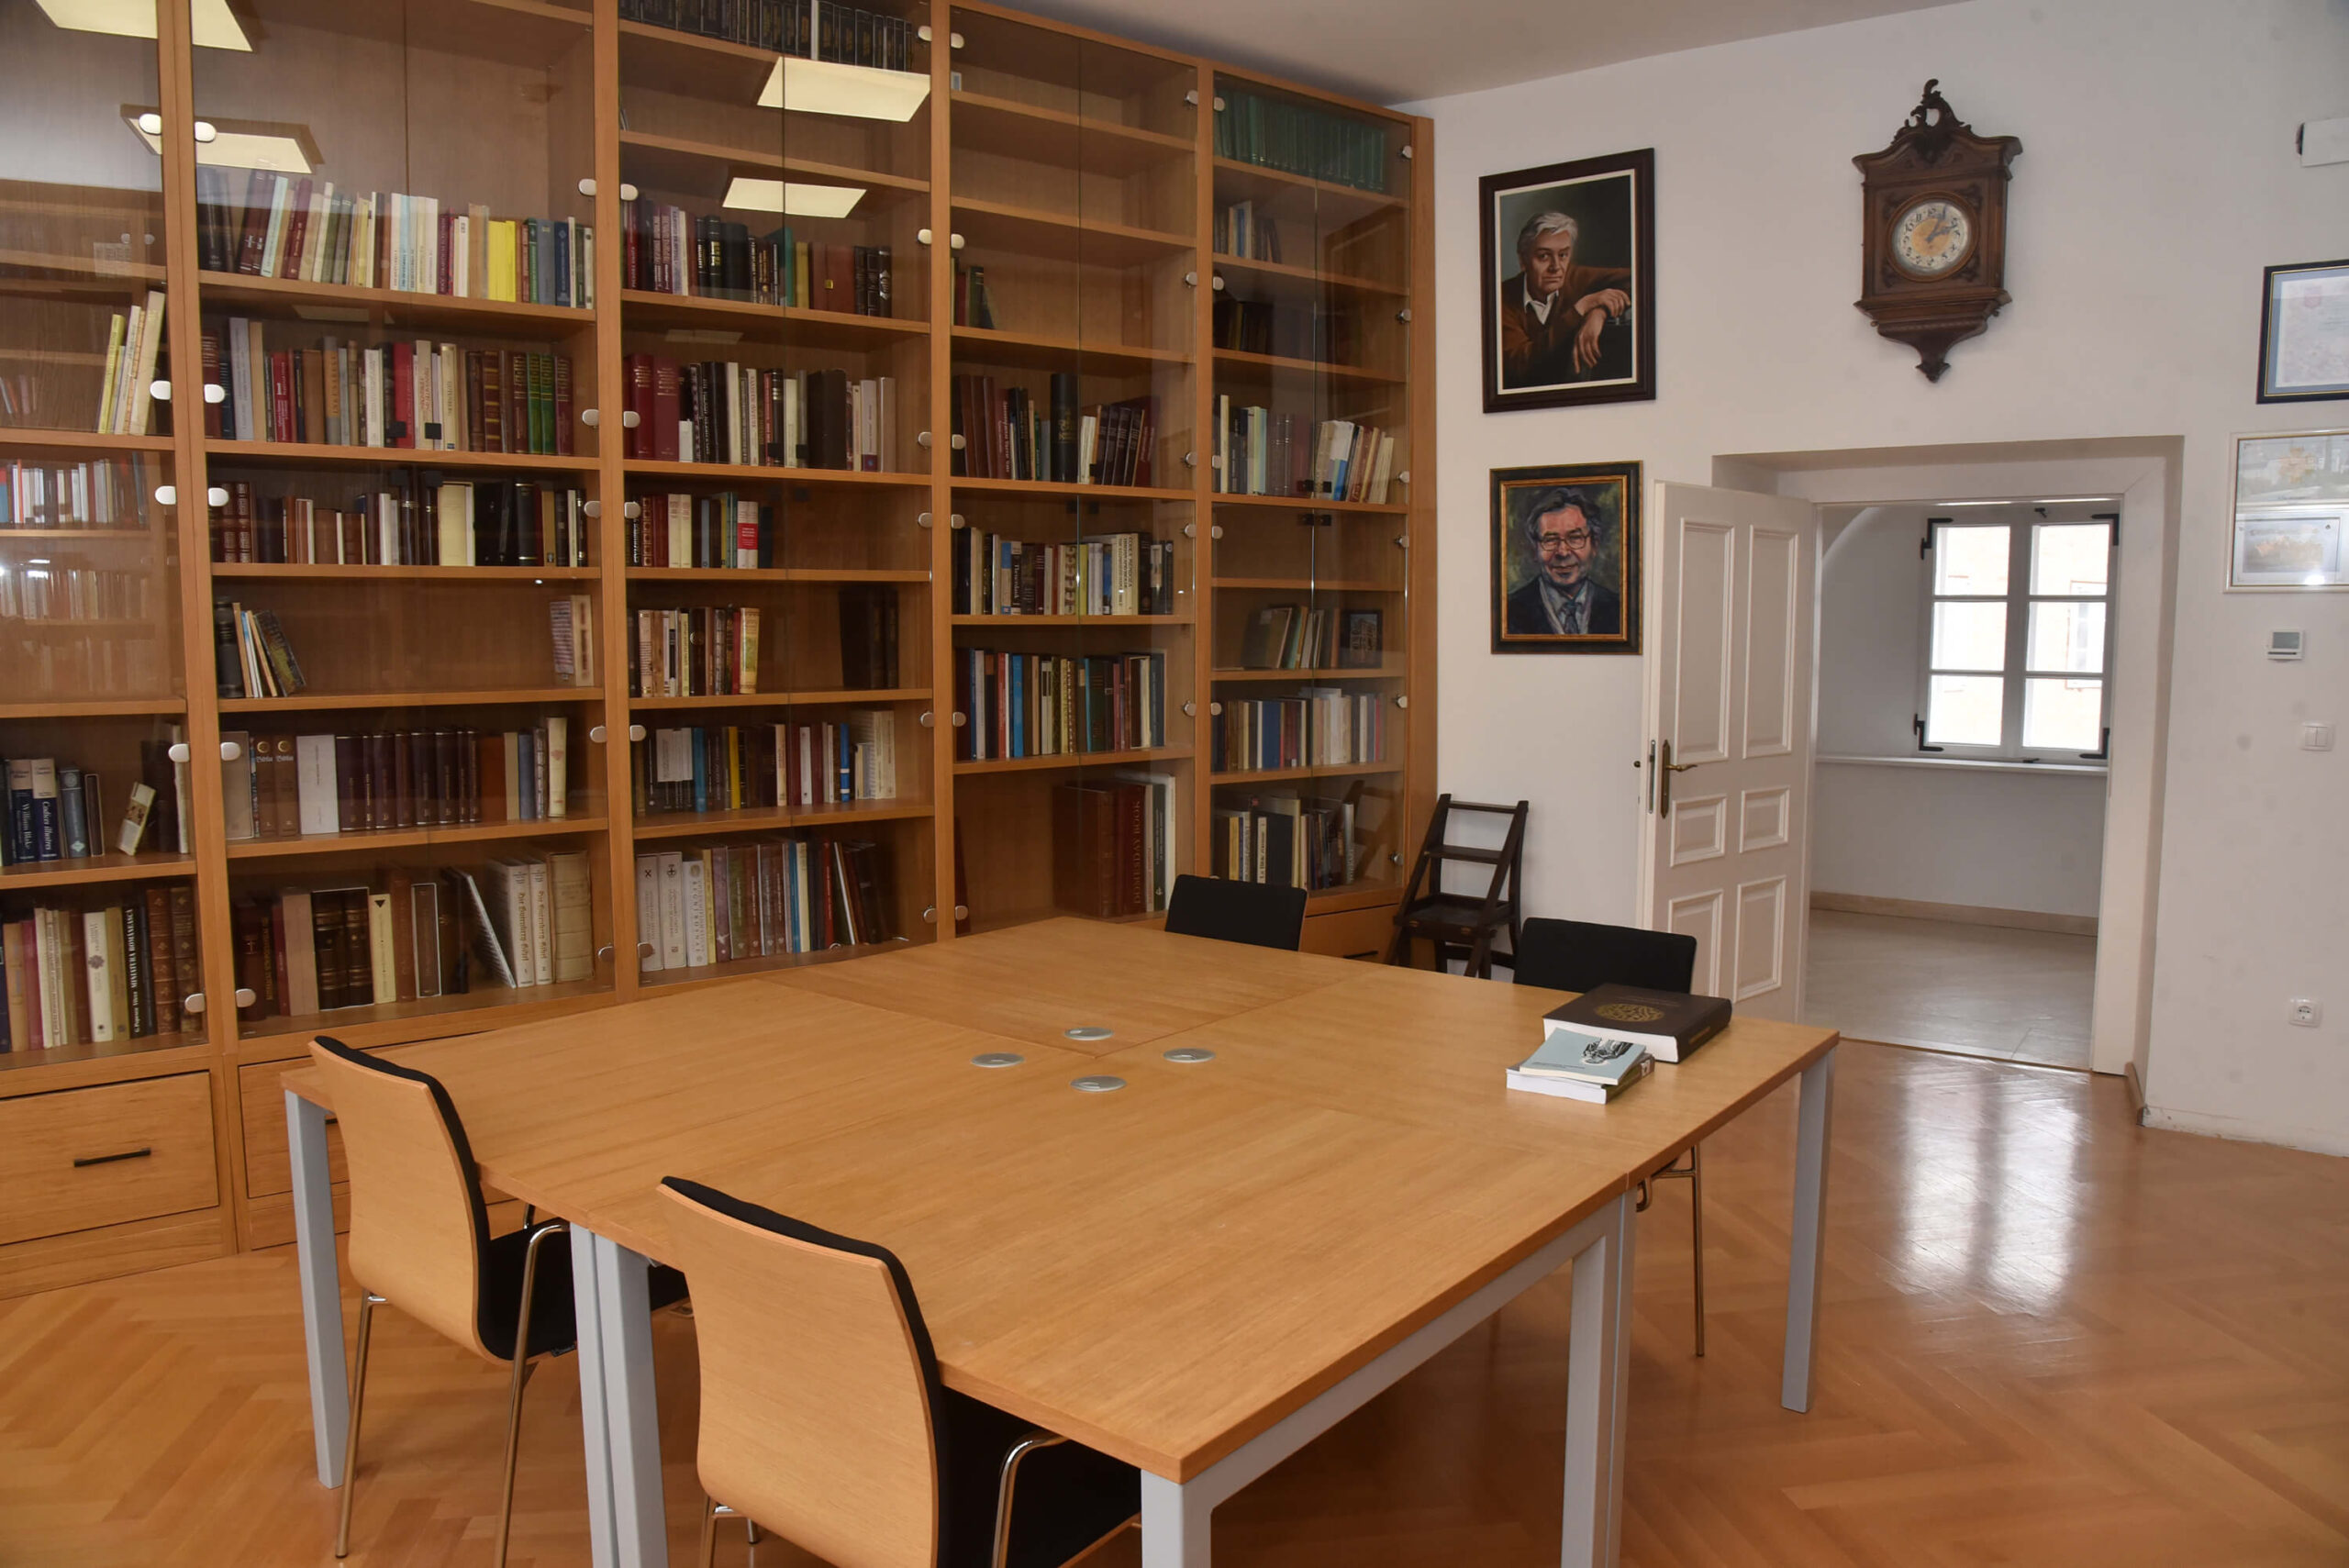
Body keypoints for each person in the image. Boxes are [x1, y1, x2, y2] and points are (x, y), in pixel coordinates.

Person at [1497, 211, 1631, 388]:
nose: (1556, 267)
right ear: (1523, 261)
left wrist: (1598, 311)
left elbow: (1637, 279)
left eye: (1563, 255)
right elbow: (1522, 363)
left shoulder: (1575, 277)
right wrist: (1581, 309)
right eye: (1544, 256)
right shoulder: (1502, 297)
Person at [1504, 488, 1621, 637]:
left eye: (1575, 538)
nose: (1563, 552)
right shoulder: (1509, 612)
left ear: (1594, 545)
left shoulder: (1620, 609)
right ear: (1535, 549)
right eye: (1550, 540)